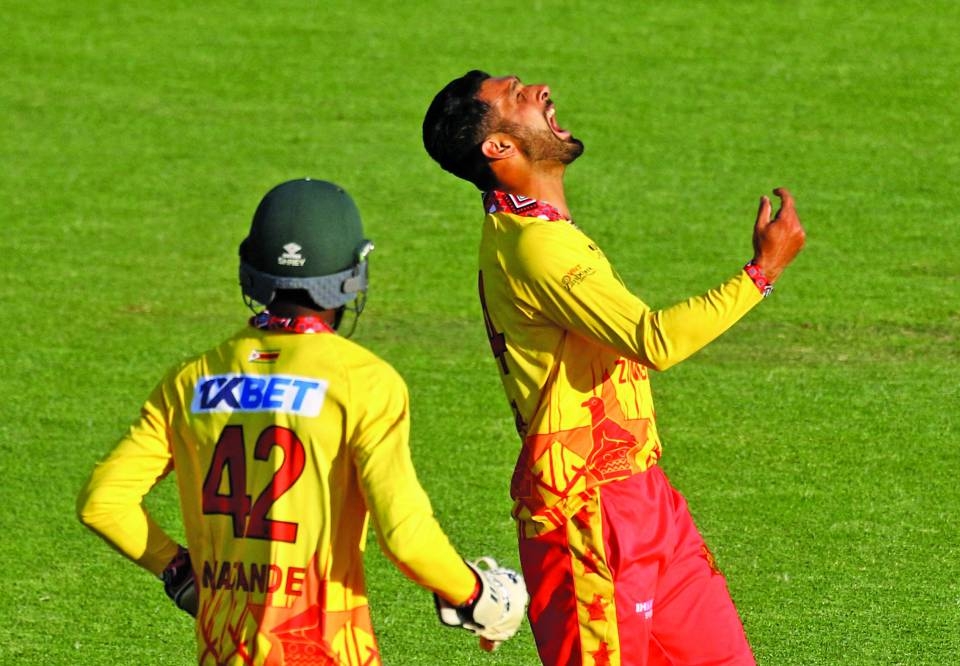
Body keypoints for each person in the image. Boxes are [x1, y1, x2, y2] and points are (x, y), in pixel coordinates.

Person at [423, 71, 806, 666]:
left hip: (643, 496)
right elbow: (652, 340)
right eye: (515, 97)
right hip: (586, 518)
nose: (539, 90)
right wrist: (762, 273)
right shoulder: (533, 247)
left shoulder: (542, 230)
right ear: (498, 147)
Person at [77, 178, 526, 666]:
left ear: (251, 274)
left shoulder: (191, 380)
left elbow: (104, 502)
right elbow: (405, 538)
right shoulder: (364, 381)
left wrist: (180, 571)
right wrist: (478, 594)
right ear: (352, 276)